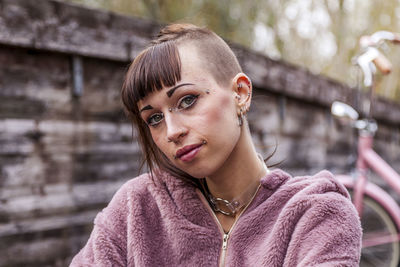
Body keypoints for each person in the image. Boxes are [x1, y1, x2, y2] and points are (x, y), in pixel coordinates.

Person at [70, 23, 362, 266]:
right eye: (155, 118)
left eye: (187, 100)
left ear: (241, 93)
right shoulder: (137, 209)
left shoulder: (315, 213)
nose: (171, 131)